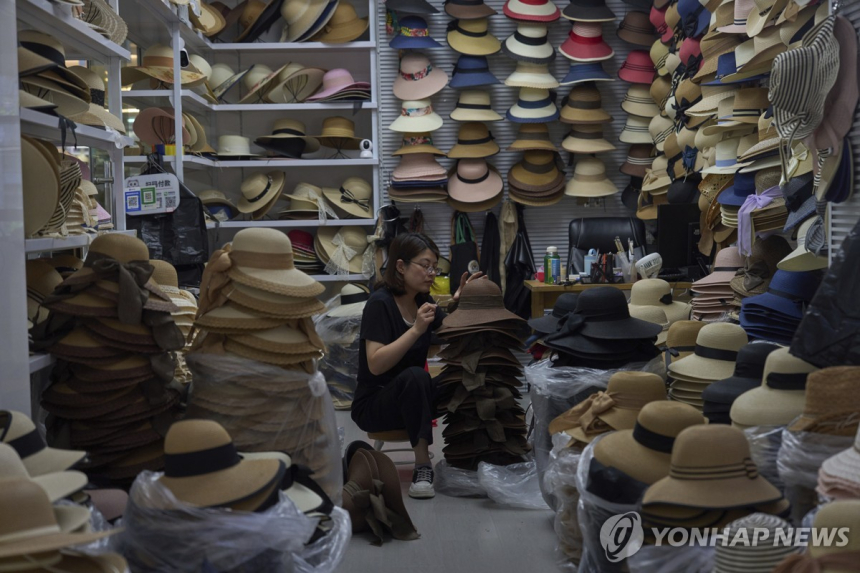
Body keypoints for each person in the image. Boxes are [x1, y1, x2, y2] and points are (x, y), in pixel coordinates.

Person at [352, 232, 484, 499]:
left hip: (414, 399)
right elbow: (375, 364)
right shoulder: (379, 304)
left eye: (434, 266)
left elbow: (451, 331)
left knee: (463, 375)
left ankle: (467, 455)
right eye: (425, 265)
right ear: (401, 266)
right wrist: (416, 329)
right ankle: (422, 466)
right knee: (415, 376)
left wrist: (460, 299)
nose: (432, 273)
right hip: (376, 403)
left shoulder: (423, 301)